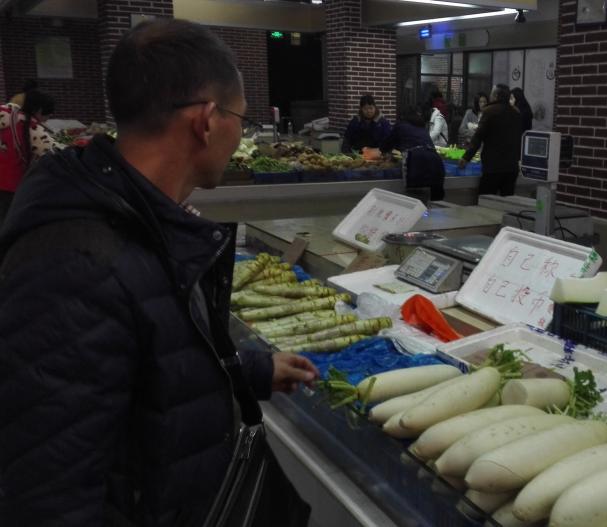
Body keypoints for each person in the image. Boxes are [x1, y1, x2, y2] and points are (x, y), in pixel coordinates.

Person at [0, 19, 317, 526]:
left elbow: (150, 351)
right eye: (241, 118)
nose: (241, 134)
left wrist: (249, 370)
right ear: (207, 121)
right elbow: (48, 492)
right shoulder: (73, 265)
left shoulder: (143, 217)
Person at [0, 89, 58, 225]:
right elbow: (53, 152)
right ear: (38, 110)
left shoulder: (5, 116)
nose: (47, 119)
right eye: (48, 115)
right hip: (10, 186)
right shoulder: (31, 129)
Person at [460, 84, 524, 196]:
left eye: (492, 93)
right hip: (512, 167)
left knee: (487, 203)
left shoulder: (489, 111)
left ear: (496, 95)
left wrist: (466, 158)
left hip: (493, 167)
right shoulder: (516, 112)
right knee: (507, 203)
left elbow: (478, 137)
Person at [382, 105, 445, 200]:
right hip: (435, 160)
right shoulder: (422, 128)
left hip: (415, 160)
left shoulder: (400, 125)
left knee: (412, 197)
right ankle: (426, 213)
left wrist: (383, 152)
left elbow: (387, 144)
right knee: (429, 200)